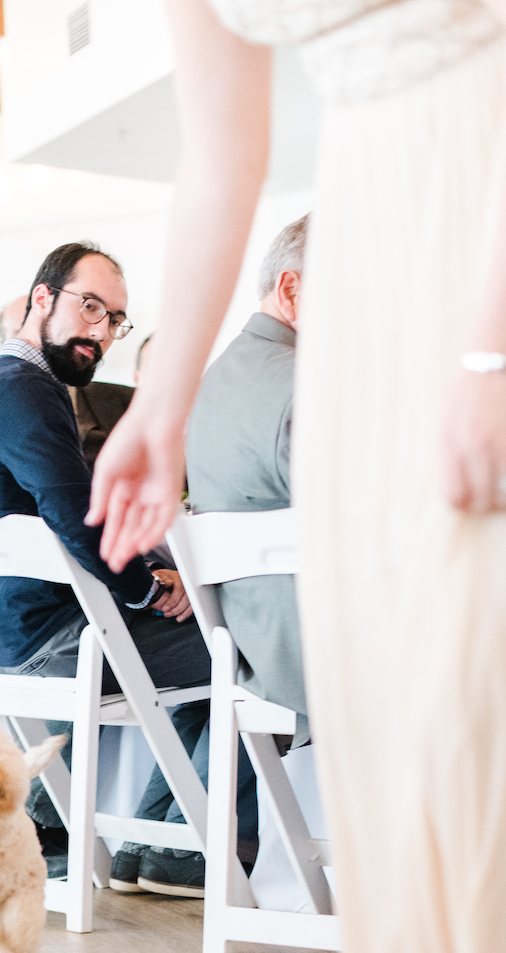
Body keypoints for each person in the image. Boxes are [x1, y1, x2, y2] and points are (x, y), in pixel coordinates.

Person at [86, 0, 506, 953]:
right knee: (382, 721)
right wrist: (159, 410)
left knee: (496, 708)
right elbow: (221, 161)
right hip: (368, 274)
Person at [0, 240, 260, 897]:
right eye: (89, 307)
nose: (101, 331)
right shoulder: (22, 387)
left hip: (31, 630)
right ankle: (178, 849)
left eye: (115, 319)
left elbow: (79, 509)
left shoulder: (12, 385)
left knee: (213, 650)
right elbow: (74, 516)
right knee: (253, 644)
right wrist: (150, 588)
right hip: (55, 640)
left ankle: (153, 850)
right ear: (42, 299)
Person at [185, 215, 309, 749]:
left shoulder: (220, 375)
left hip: (250, 645)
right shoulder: (305, 384)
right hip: (315, 658)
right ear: (291, 288)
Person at [0, 291, 134, 470]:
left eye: (44, 327)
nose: (39, 340)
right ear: (5, 344)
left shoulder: (128, 400)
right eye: (23, 333)